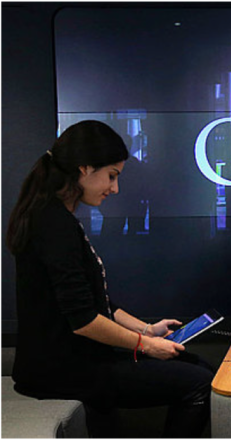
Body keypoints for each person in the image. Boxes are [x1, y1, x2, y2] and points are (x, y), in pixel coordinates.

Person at [6, 120, 214, 437]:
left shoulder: (57, 218)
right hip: (60, 370)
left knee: (197, 366)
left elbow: (98, 302)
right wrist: (146, 346)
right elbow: (84, 320)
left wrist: (147, 329)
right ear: (85, 168)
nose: (114, 189)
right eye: (111, 176)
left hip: (77, 360)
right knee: (199, 383)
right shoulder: (52, 224)